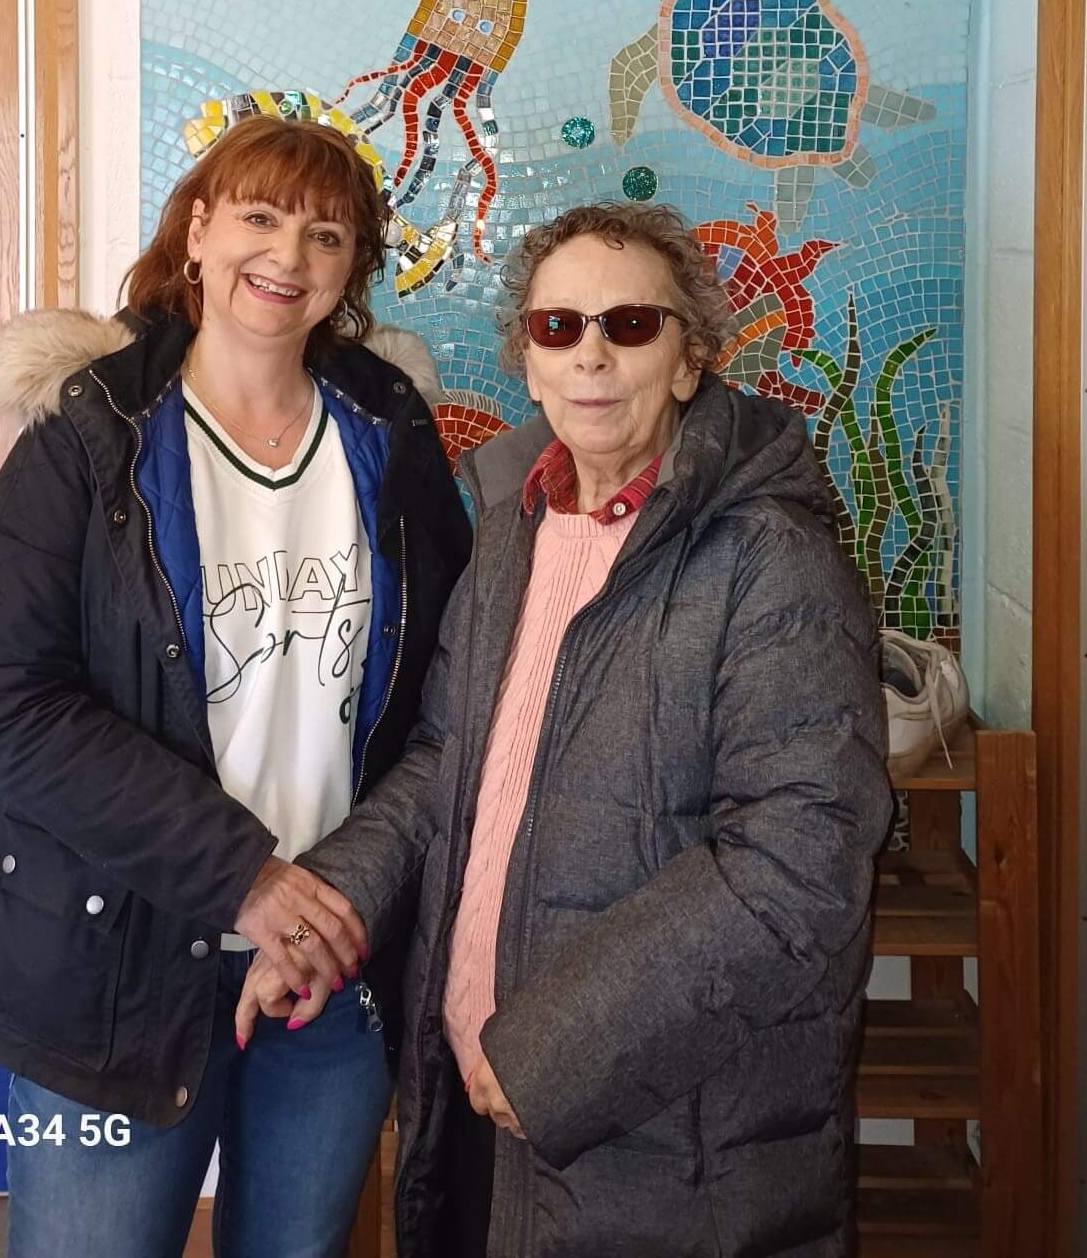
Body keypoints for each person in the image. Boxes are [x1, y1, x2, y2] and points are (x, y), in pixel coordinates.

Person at [240, 201, 892, 1257]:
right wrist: (326, 910)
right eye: (559, 328)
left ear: (690, 361)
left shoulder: (772, 560)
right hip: (479, 1111)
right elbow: (447, 760)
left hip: (665, 1137)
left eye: (630, 325)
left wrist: (553, 1052)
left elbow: (797, 863)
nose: (591, 352)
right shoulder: (514, 529)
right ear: (528, 366)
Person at [0, 114, 471, 1258]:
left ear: (350, 267)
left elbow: (446, 694)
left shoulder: (389, 432)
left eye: (327, 233)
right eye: (260, 217)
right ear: (201, 231)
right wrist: (243, 876)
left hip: (328, 965)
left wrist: (333, 899)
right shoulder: (88, 433)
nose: (289, 255)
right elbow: (9, 706)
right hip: (116, 956)